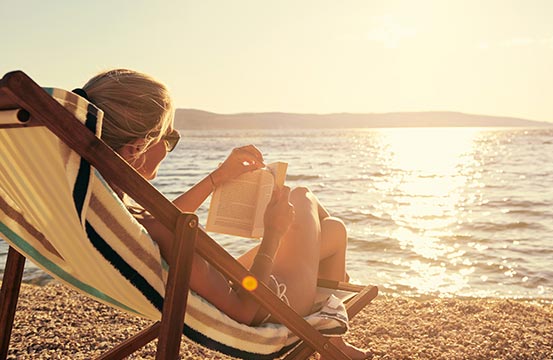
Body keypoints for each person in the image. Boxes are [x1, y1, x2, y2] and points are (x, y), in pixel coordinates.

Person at [78, 69, 371, 359]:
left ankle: (335, 346)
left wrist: (217, 178)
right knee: (303, 197)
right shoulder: (151, 226)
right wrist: (273, 233)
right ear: (136, 149)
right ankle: (332, 342)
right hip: (267, 305)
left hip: (242, 286)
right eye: (169, 139)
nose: (170, 148)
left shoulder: (105, 205)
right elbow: (244, 309)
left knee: (332, 230)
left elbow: (161, 219)